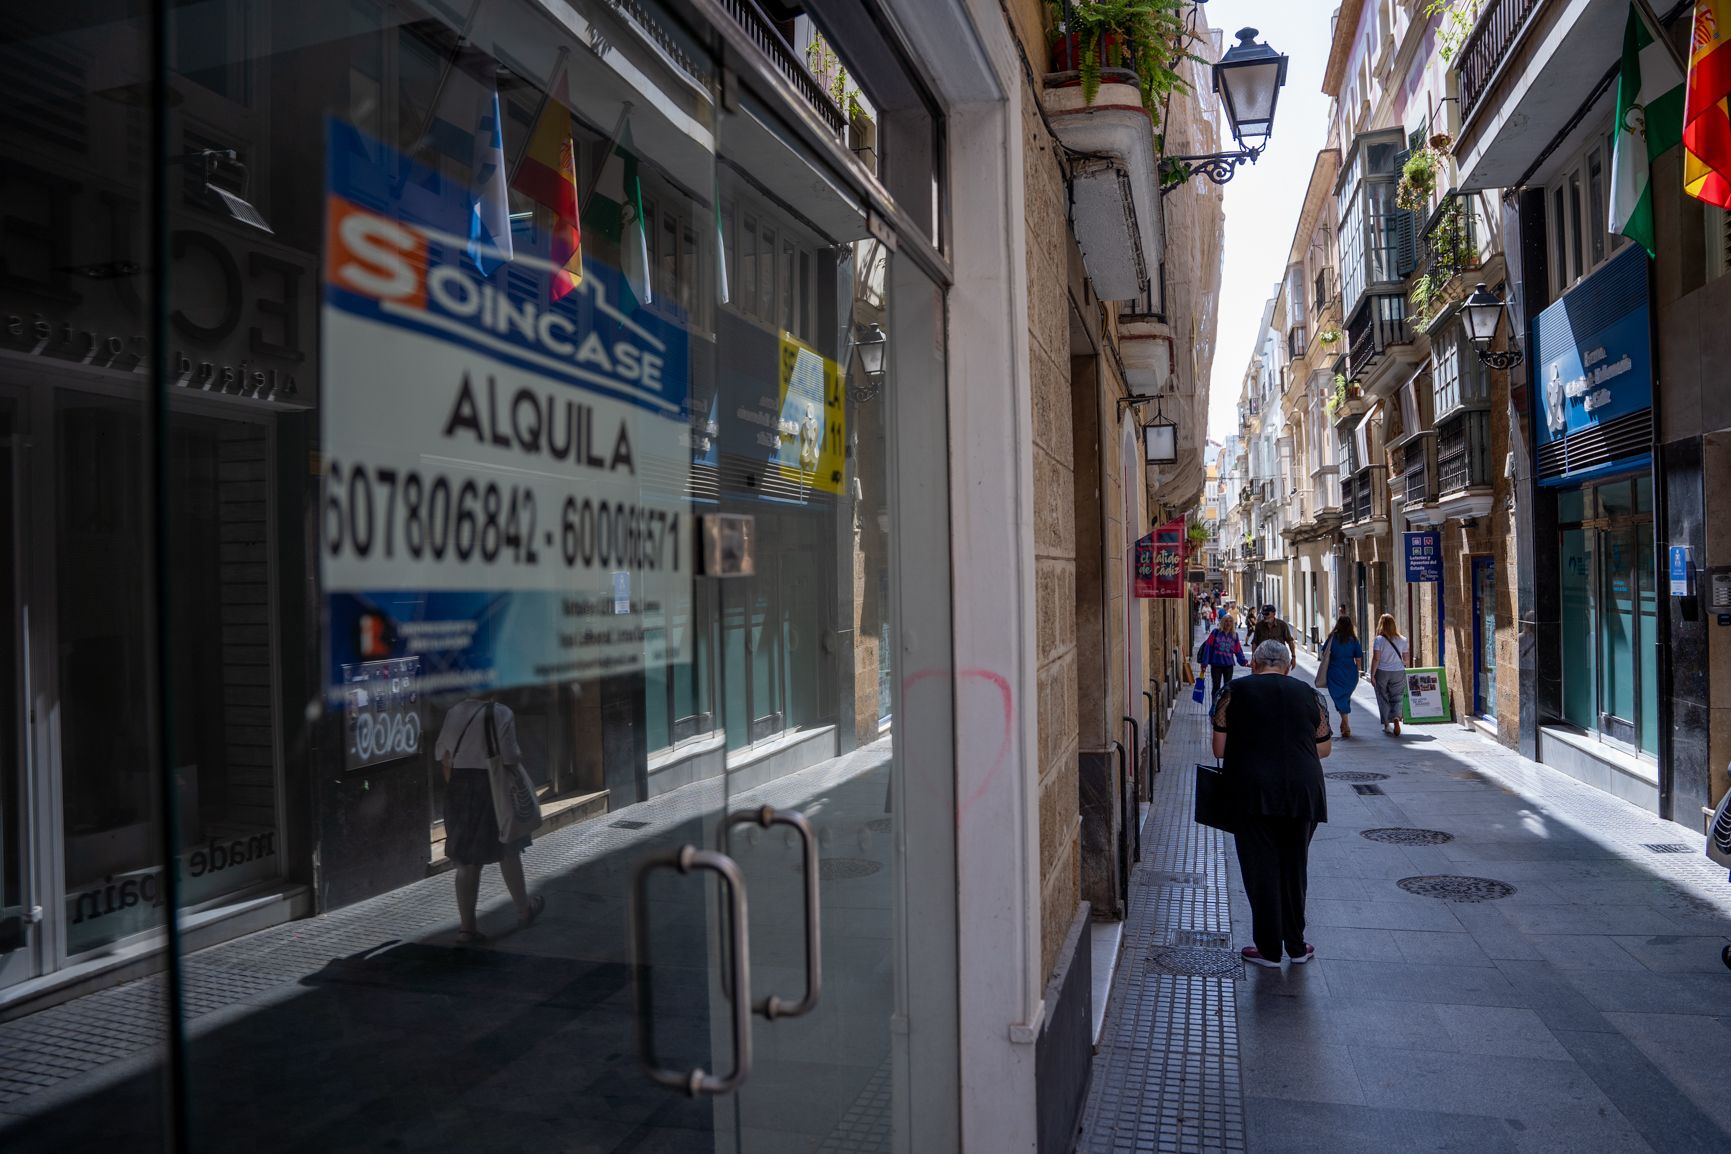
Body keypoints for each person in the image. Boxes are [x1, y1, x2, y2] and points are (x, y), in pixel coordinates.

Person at [1212, 640, 1333, 968]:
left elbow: (1219, 749)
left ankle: (1267, 948)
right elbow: (1323, 749)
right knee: (1295, 867)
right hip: (1303, 791)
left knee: (1260, 868)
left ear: (1253, 663)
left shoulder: (1234, 692)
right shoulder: (1309, 695)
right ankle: (1296, 945)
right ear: (1289, 665)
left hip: (1251, 791)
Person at [435, 696, 546, 944]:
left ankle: (467, 928)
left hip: (459, 789)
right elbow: (509, 757)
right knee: (509, 848)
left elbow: (443, 755)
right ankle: (523, 909)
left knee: (465, 862)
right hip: (492, 789)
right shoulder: (501, 712)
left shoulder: (454, 711)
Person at [1320, 614, 1365, 738]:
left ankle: (1346, 724)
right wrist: (1358, 671)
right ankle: (1345, 723)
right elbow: (1359, 658)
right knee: (1345, 697)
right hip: (1350, 672)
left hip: (1334, 672)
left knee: (1338, 697)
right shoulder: (1354, 640)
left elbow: (1323, 651)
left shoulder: (1332, 638)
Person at [1198, 612, 1250, 707]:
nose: (1228, 623)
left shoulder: (1234, 635)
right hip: (1216, 664)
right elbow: (1208, 647)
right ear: (1222, 622)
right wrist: (1204, 663)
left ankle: (1224, 707)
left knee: (1227, 688)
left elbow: (1238, 650)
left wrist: (1244, 662)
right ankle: (1214, 706)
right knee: (1216, 687)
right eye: (1226, 621)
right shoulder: (1216, 633)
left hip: (1228, 665)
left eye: (1230, 621)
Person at [1371, 613, 1411, 736]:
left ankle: (1387, 724)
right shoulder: (1403, 640)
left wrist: (1372, 674)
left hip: (1382, 671)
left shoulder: (1378, 640)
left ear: (1381, 625)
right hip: (1398, 671)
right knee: (1397, 697)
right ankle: (1397, 718)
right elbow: (1406, 660)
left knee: (1383, 696)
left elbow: (1376, 658)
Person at [1250, 605, 1298, 671]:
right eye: (1263, 614)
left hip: (1279, 660)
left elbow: (1290, 641)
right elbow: (1255, 642)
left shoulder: (1282, 625)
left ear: (1274, 614)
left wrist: (1293, 657)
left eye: (1267, 614)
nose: (1265, 616)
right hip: (1263, 659)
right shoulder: (1259, 626)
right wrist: (1253, 658)